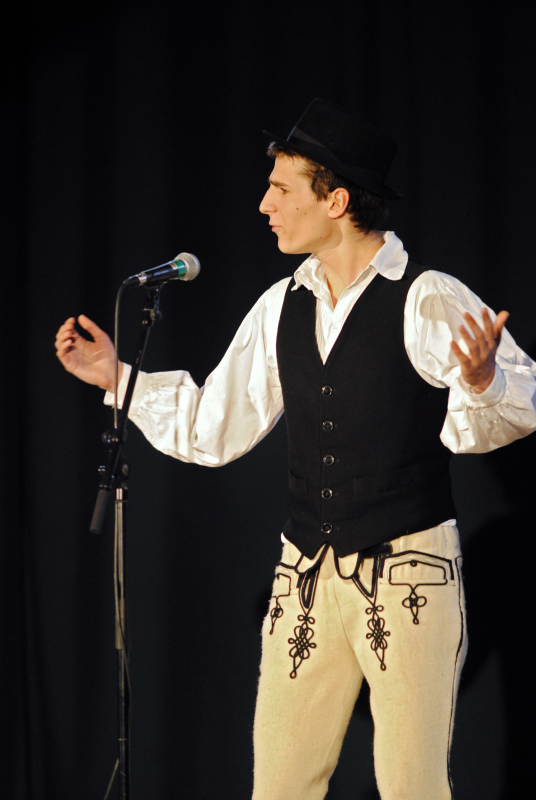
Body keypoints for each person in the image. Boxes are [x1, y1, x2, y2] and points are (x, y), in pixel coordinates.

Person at [55, 99, 536, 800]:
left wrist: (484, 380)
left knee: (411, 785)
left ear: (336, 201)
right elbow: (214, 425)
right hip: (305, 572)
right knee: (280, 784)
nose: (264, 205)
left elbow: (511, 411)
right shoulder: (282, 304)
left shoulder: (426, 297)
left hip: (409, 572)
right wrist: (116, 378)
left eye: (282, 189)